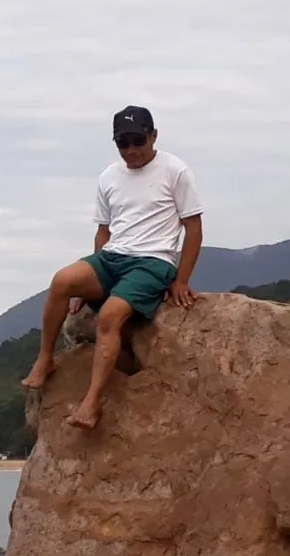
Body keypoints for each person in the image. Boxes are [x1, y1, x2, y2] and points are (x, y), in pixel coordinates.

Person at [22, 105, 203, 429]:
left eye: (138, 141)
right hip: (112, 256)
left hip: (152, 262)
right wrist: (88, 285)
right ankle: (45, 359)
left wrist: (181, 279)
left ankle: (91, 404)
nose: (131, 150)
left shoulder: (175, 171)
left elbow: (193, 227)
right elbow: (103, 231)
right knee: (62, 281)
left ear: (153, 136)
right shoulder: (109, 176)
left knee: (108, 317)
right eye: (123, 143)